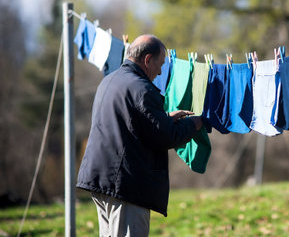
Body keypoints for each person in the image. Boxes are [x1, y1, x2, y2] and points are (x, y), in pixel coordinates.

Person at [77, 34, 203, 236]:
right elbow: (166, 137)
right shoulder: (141, 89)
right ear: (147, 60)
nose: (161, 70)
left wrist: (166, 117)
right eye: (160, 64)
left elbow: (131, 122)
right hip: (125, 185)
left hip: (102, 179)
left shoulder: (110, 81)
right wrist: (195, 123)